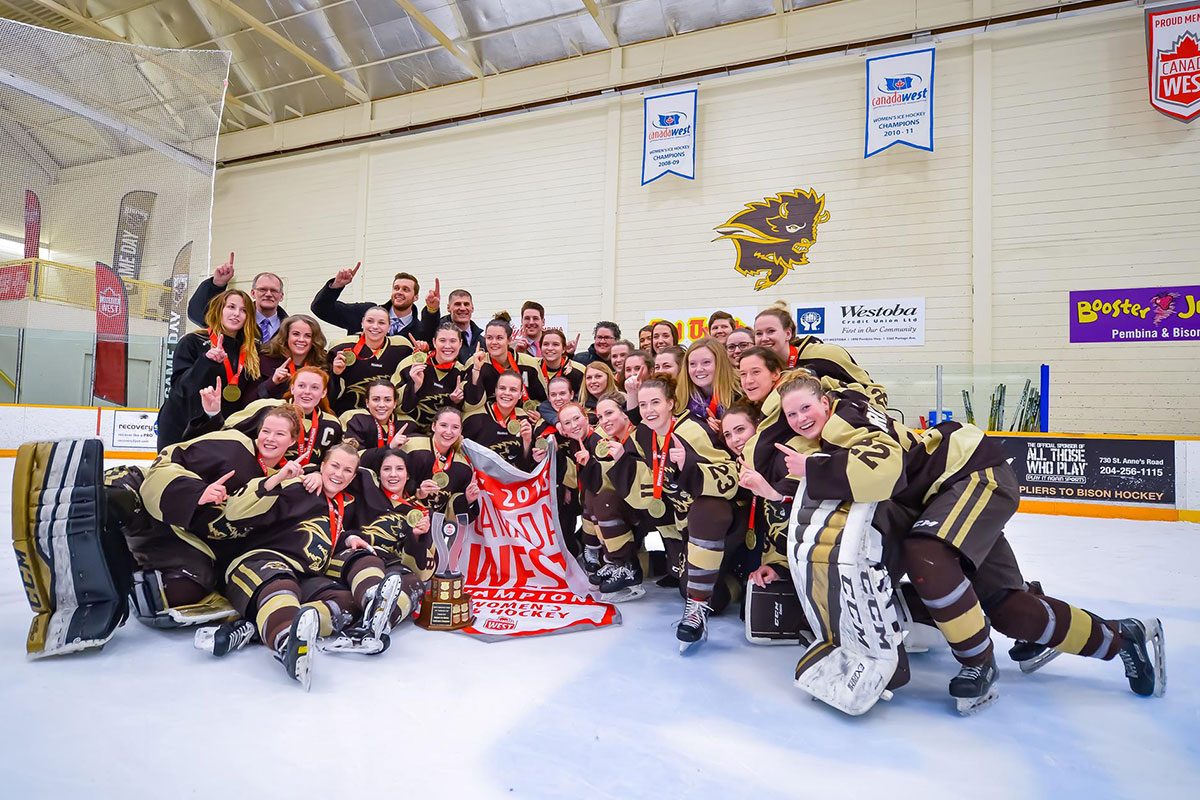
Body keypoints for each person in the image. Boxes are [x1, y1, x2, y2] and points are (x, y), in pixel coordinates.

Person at [750, 374, 1166, 712]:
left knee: (925, 553)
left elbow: (884, 471)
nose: (801, 417)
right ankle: (1122, 638)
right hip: (946, 499)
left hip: (970, 474)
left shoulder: (847, 418)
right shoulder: (827, 438)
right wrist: (779, 488)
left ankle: (978, 664)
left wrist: (814, 468)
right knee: (1011, 611)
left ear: (825, 402)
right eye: (791, 413)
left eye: (806, 407)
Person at [217, 442, 409, 689]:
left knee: (347, 600)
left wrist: (348, 538)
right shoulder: (299, 486)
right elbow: (235, 512)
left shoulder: (344, 502)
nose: (339, 474)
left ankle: (370, 605)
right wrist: (276, 480)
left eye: (347, 471)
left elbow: (326, 529)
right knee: (280, 585)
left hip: (306, 573)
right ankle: (289, 643)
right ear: (322, 465)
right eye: (334, 466)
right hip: (261, 561)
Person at [131, 404, 302, 626]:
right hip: (157, 510)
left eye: (279, 434)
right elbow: (168, 459)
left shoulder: (280, 480)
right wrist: (196, 491)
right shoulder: (234, 446)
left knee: (182, 590)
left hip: (190, 539)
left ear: (292, 441)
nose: (269, 438)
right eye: (266, 431)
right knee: (120, 495)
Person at [619, 376, 740, 651]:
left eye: (656, 403)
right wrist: (617, 461)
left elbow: (730, 477)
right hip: (679, 520)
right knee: (692, 586)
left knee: (705, 595)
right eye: (644, 404)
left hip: (719, 519)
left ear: (671, 403)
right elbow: (645, 483)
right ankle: (719, 579)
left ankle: (699, 606)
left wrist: (693, 466)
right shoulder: (642, 434)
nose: (649, 410)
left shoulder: (692, 430)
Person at [559, 398, 643, 601]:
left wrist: (589, 466)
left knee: (601, 501)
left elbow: (604, 485)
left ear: (586, 417)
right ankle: (612, 559)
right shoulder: (577, 440)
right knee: (592, 499)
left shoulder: (598, 441)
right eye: (567, 423)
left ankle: (625, 565)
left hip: (634, 501)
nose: (574, 425)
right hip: (622, 499)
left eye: (576, 419)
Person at [158, 288, 261, 451]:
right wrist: (206, 361)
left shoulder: (253, 350)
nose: (236, 314)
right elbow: (180, 388)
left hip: (220, 428)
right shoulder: (193, 341)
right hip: (183, 423)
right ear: (219, 309)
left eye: (243, 310)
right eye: (231, 307)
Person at [194, 366, 344, 467]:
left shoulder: (332, 425)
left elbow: (331, 463)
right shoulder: (266, 408)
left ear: (323, 393)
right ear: (292, 388)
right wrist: (213, 413)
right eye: (301, 386)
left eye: (315, 388)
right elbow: (224, 433)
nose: (307, 392)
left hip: (303, 487)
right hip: (260, 479)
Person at [754, 303, 887, 407]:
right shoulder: (764, 367)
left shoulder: (826, 354)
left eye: (771, 331)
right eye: (759, 333)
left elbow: (872, 389)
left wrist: (870, 419)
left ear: (788, 334)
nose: (764, 338)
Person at [310, 263, 437, 342]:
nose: (399, 292)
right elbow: (320, 308)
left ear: (415, 297)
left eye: (406, 289)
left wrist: (432, 309)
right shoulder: (366, 313)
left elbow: (433, 338)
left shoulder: (419, 330)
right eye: (396, 288)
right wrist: (336, 286)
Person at [327, 306, 414, 416]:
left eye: (381, 323)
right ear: (362, 322)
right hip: (349, 414)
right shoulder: (341, 347)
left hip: (385, 415)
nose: (375, 326)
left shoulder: (403, 347)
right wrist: (335, 374)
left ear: (389, 326)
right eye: (370, 321)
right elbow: (327, 393)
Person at [186, 252, 289, 342]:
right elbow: (198, 315)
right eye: (262, 289)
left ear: (281, 296)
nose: (268, 294)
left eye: (274, 290)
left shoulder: (289, 328)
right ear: (253, 293)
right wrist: (217, 284)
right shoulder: (236, 318)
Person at [395, 320, 476, 433]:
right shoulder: (412, 363)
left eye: (453, 341)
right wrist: (415, 386)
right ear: (434, 342)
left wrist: (454, 402)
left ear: (460, 343)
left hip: (442, 433)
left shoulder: (462, 372)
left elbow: (465, 412)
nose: (447, 346)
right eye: (442, 340)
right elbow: (393, 404)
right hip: (409, 429)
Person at [401, 407, 481, 520]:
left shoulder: (463, 465)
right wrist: (417, 493)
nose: (449, 431)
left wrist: (467, 500)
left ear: (460, 431)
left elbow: (462, 519)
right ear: (434, 426)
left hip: (434, 527)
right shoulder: (411, 446)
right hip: (401, 517)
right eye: (443, 425)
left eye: (455, 427)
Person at [463, 371, 536, 470]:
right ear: (495, 390)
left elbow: (526, 467)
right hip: (481, 481)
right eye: (502, 388)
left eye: (513, 390)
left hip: (512, 482)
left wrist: (527, 441)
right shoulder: (473, 419)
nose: (507, 393)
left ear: (520, 394)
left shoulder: (525, 419)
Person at [467, 313, 545, 404]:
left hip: (522, 415)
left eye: (499, 338)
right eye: (489, 338)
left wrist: (537, 411)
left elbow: (543, 399)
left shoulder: (529, 363)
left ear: (509, 340)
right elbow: (469, 404)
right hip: (488, 415)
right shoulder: (475, 362)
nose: (494, 342)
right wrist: (476, 370)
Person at [340, 379, 411, 470]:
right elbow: (351, 460)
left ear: (395, 403)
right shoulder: (354, 418)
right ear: (367, 402)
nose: (381, 405)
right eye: (376, 399)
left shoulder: (407, 424)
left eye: (387, 400)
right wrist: (389, 447)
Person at [255, 314, 328, 401]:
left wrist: (336, 374)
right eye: (296, 334)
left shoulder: (321, 365)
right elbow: (248, 402)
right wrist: (272, 382)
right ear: (286, 336)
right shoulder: (265, 361)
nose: (301, 339)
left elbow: (329, 402)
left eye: (308, 336)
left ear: (314, 340)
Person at [676, 337, 739, 429]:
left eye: (706, 362)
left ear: (720, 364)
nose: (699, 369)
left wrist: (725, 431)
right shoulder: (681, 399)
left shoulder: (740, 396)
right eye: (692, 364)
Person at [534, 328, 586, 403]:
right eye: (545, 344)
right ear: (540, 347)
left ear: (564, 349)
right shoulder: (533, 366)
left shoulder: (579, 370)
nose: (550, 348)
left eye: (555, 344)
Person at [435, 288, 483, 360]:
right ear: (448, 308)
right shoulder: (437, 332)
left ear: (472, 308)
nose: (462, 308)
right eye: (457, 304)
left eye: (466, 304)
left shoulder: (482, 340)